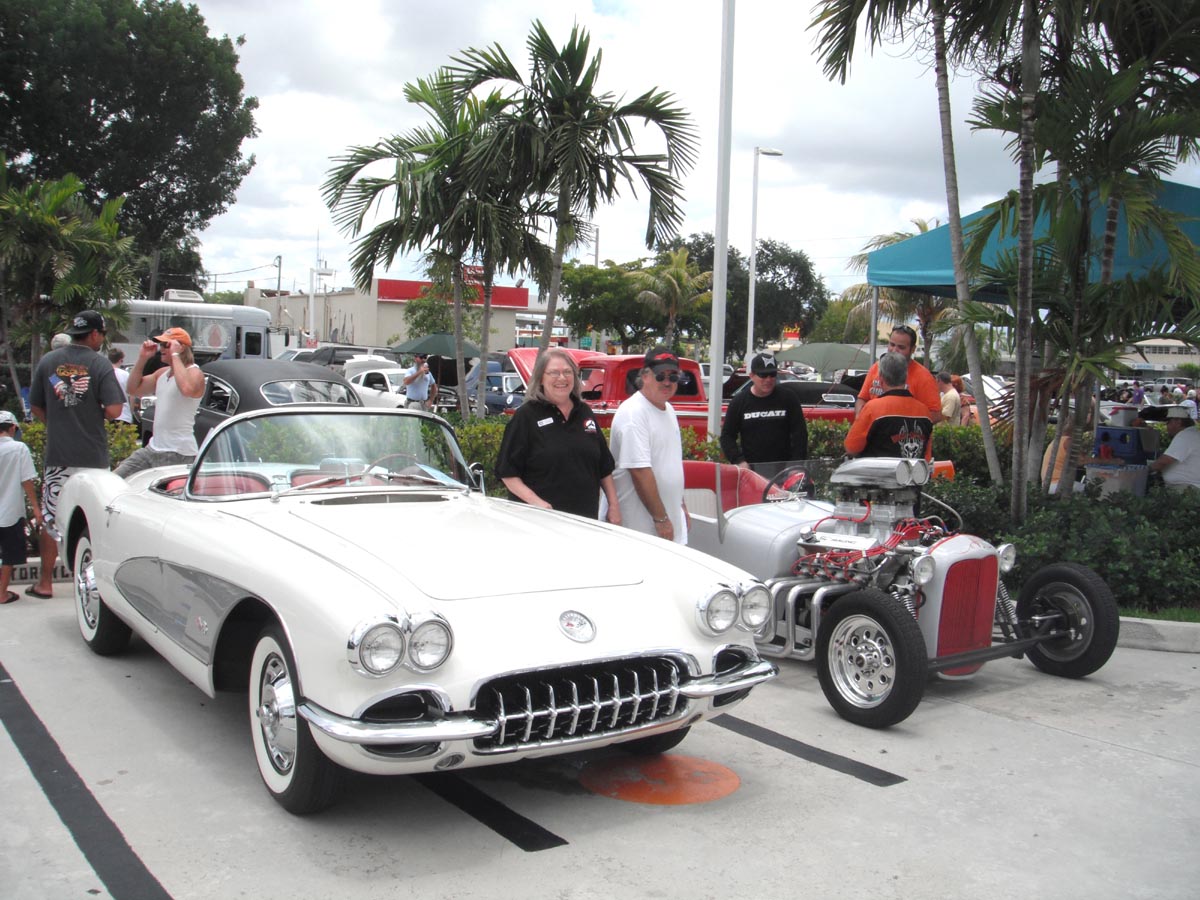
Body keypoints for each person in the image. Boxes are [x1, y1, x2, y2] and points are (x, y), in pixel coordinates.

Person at [27, 309, 125, 598]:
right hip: (92, 458)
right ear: (94, 334)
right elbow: (114, 410)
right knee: (94, 518)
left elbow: (36, 407)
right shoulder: (100, 364)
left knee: (51, 517)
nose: (102, 339)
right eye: (102, 334)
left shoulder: (48, 361)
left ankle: (45, 583)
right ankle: (95, 584)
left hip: (59, 456)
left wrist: (58, 423)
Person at [495, 348, 620, 522]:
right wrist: (538, 503)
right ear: (541, 378)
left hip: (585, 521)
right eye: (554, 373)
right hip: (540, 521)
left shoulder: (584, 412)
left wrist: (614, 505)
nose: (562, 378)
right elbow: (507, 473)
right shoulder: (526, 416)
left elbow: (603, 467)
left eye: (567, 372)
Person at [605, 346, 689, 544]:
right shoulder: (634, 413)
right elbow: (640, 471)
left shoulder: (668, 409)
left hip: (667, 523)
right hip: (640, 530)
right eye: (660, 376)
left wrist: (681, 506)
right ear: (645, 376)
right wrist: (661, 519)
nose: (667, 382)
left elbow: (670, 463)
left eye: (673, 377)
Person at [115, 327, 205, 478]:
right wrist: (143, 358)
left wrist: (175, 355)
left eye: (166, 345)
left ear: (181, 347)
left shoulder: (195, 372)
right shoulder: (162, 373)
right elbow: (132, 389)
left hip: (178, 452)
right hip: (153, 448)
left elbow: (186, 389)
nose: (161, 349)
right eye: (161, 345)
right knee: (117, 479)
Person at [719, 351, 807, 477]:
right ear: (752, 376)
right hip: (752, 472)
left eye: (772, 375)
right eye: (763, 375)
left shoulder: (788, 398)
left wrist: (795, 464)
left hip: (784, 471)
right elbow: (727, 436)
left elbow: (800, 434)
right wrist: (739, 461)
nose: (768, 380)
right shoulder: (739, 402)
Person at [844, 351, 933, 460]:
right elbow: (927, 454)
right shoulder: (924, 412)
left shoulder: (873, 409)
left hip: (878, 470)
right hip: (913, 470)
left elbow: (851, 448)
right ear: (906, 377)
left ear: (881, 379)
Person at [855, 325, 942, 423]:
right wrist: (860, 417)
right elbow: (862, 399)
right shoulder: (876, 367)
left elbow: (936, 414)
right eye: (892, 345)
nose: (894, 350)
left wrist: (905, 424)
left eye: (901, 347)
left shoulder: (924, 377)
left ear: (913, 349)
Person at [0, 410, 42, 604]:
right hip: (9, 512)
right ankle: (2, 593)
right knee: (9, 555)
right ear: (12, 428)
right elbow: (27, 480)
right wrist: (36, 508)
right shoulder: (18, 448)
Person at [1150, 406, 1200, 490]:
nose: (1166, 426)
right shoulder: (1193, 433)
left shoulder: (1185, 436)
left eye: (1168, 422)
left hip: (1188, 487)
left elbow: (1164, 461)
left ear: (1178, 422)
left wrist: (1146, 470)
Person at [108, 347, 134, 424]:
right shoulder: (126, 375)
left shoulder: (105, 373)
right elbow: (132, 396)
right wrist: (131, 412)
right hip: (124, 416)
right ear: (120, 360)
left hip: (109, 415)